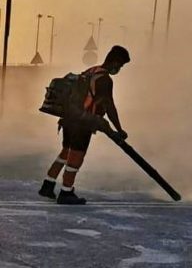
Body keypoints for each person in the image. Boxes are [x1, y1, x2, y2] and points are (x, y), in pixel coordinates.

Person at [39, 45, 131, 205]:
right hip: (82, 122)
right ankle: (66, 192)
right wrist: (119, 129)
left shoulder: (91, 71)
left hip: (69, 118)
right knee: (76, 156)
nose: (120, 69)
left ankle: (48, 184)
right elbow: (109, 106)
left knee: (66, 152)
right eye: (121, 65)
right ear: (115, 61)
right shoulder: (104, 80)